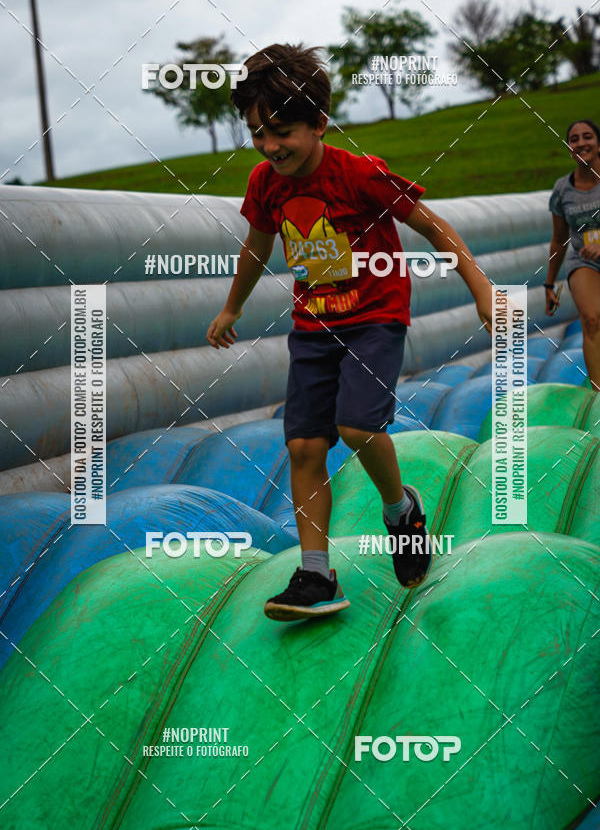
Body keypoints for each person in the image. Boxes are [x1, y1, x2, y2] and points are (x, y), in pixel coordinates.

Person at [207, 43, 493, 622]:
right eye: (257, 134)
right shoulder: (266, 183)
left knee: (358, 425)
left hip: (374, 317)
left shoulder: (359, 174)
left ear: (318, 123)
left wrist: (482, 287)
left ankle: (400, 510)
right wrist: (232, 308)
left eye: (280, 131)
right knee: (304, 445)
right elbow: (257, 248)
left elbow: (434, 226)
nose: (268, 146)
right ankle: (316, 575)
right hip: (313, 326)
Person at [546, 119, 600, 392]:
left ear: (598, 144)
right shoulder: (562, 189)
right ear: (570, 148)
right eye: (574, 139)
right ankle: (598, 394)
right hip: (584, 261)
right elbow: (558, 240)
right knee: (591, 319)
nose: (581, 143)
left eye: (587, 137)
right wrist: (549, 283)